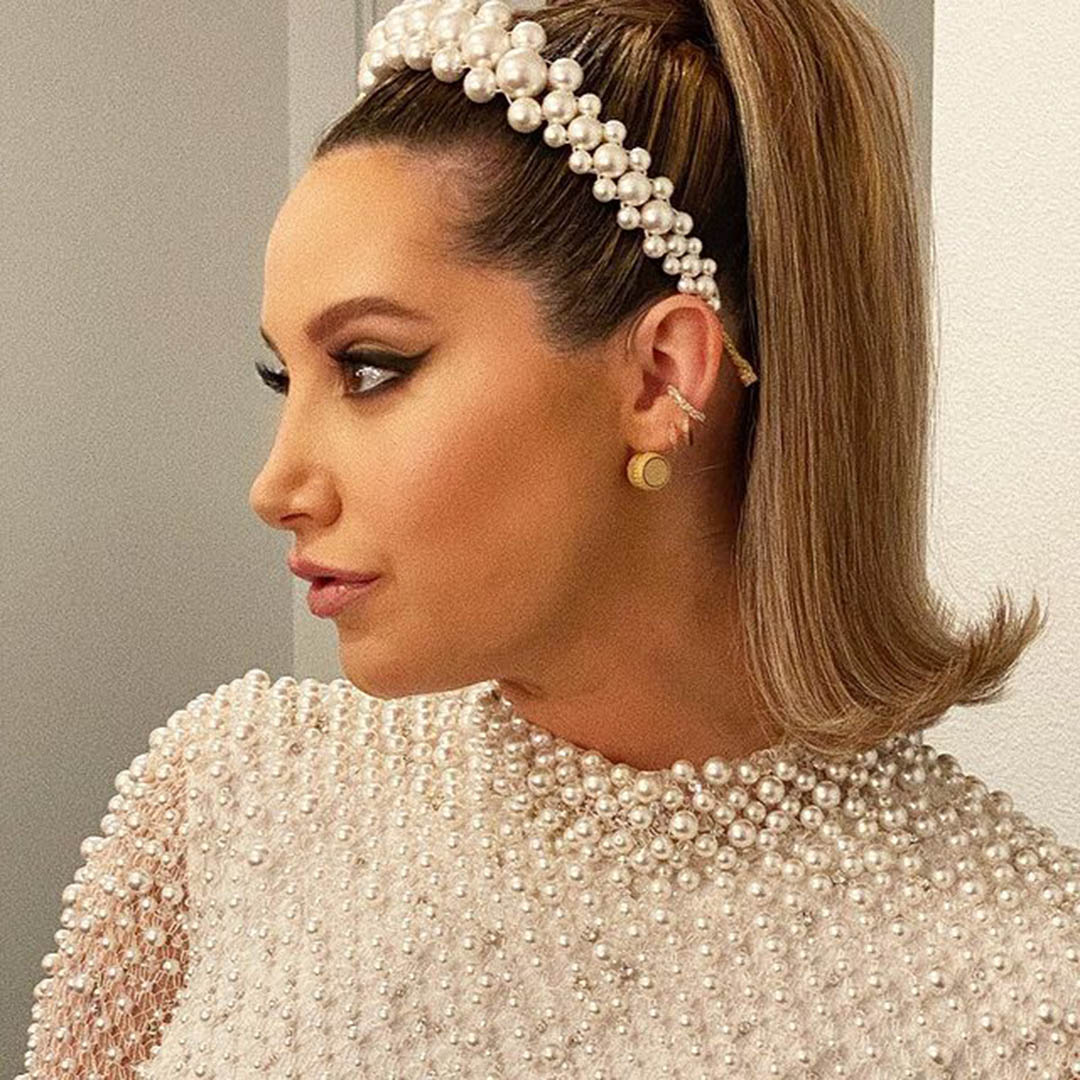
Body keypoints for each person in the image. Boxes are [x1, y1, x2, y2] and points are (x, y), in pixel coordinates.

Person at [14, 0, 1079, 1076]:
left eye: (372, 368)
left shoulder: (1031, 988)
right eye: (281, 379)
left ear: (663, 375)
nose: (275, 485)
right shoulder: (231, 796)